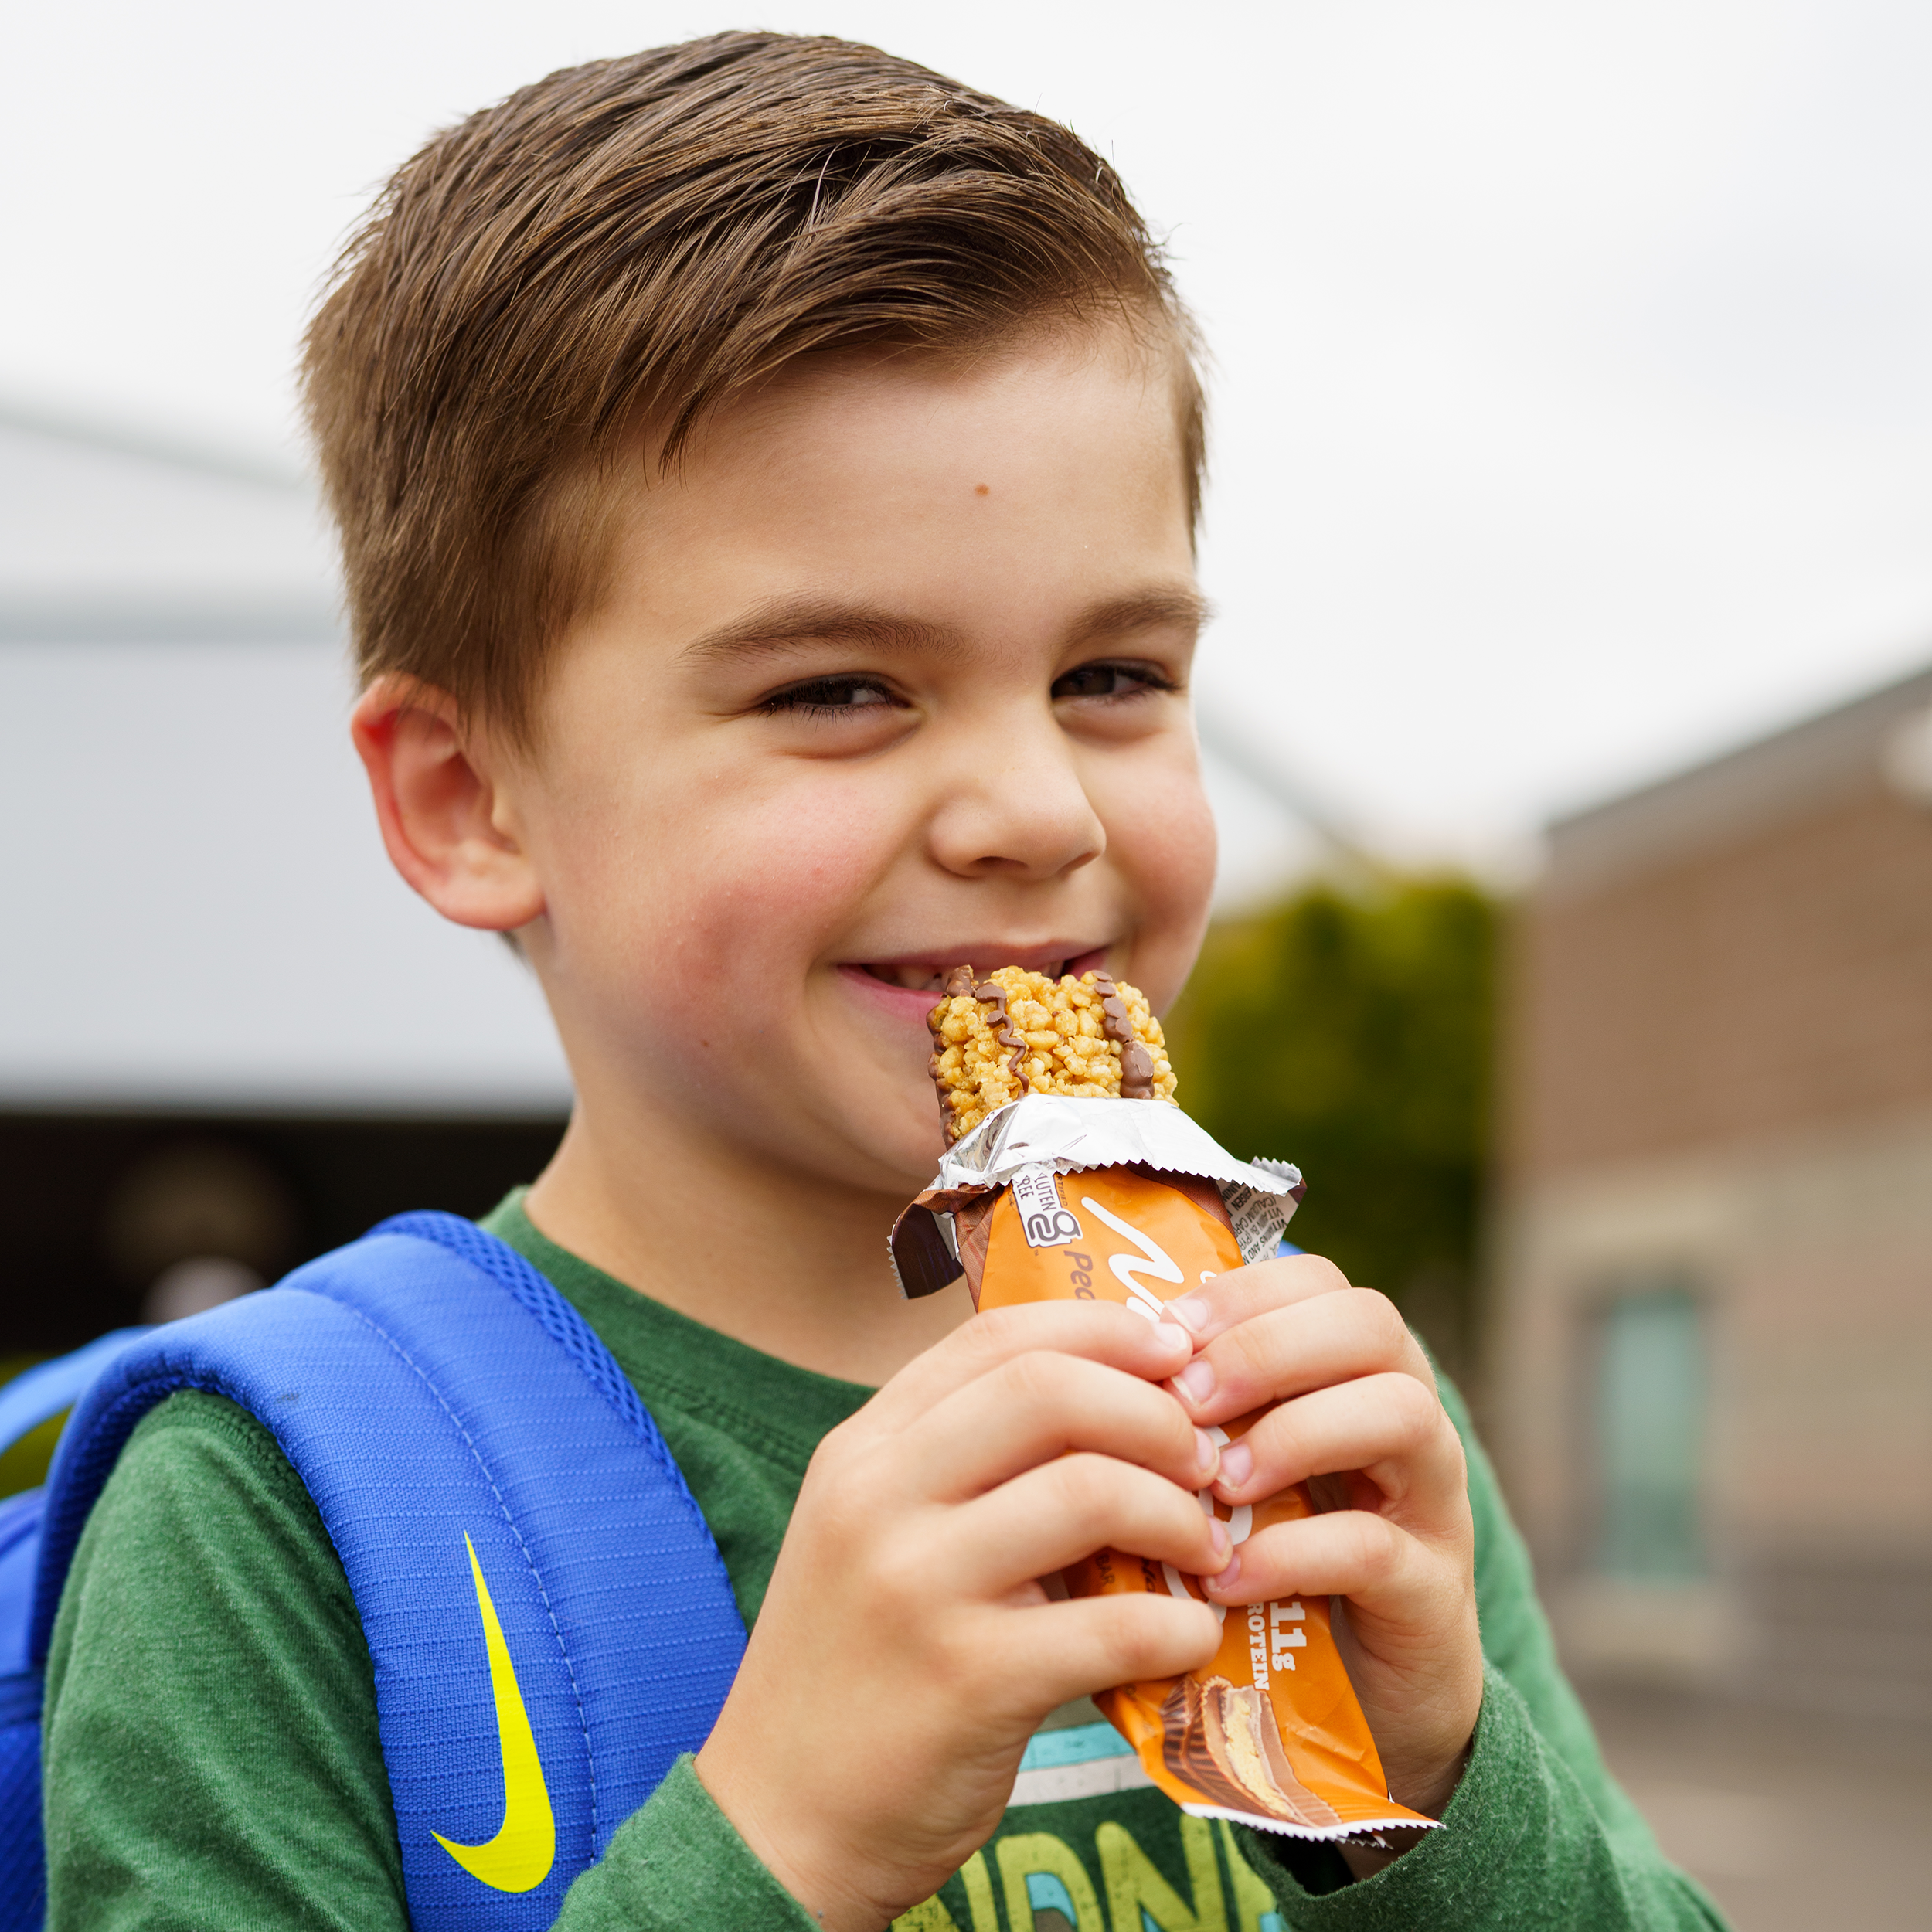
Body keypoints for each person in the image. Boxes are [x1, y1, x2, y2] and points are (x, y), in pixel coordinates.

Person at [42, 31, 1723, 1932]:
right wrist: (779, 1847)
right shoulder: (270, 1520)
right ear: (467, 799)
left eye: (1115, 674)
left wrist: (1438, 1781)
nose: (1031, 805)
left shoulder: (1325, 1421)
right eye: (834, 688)